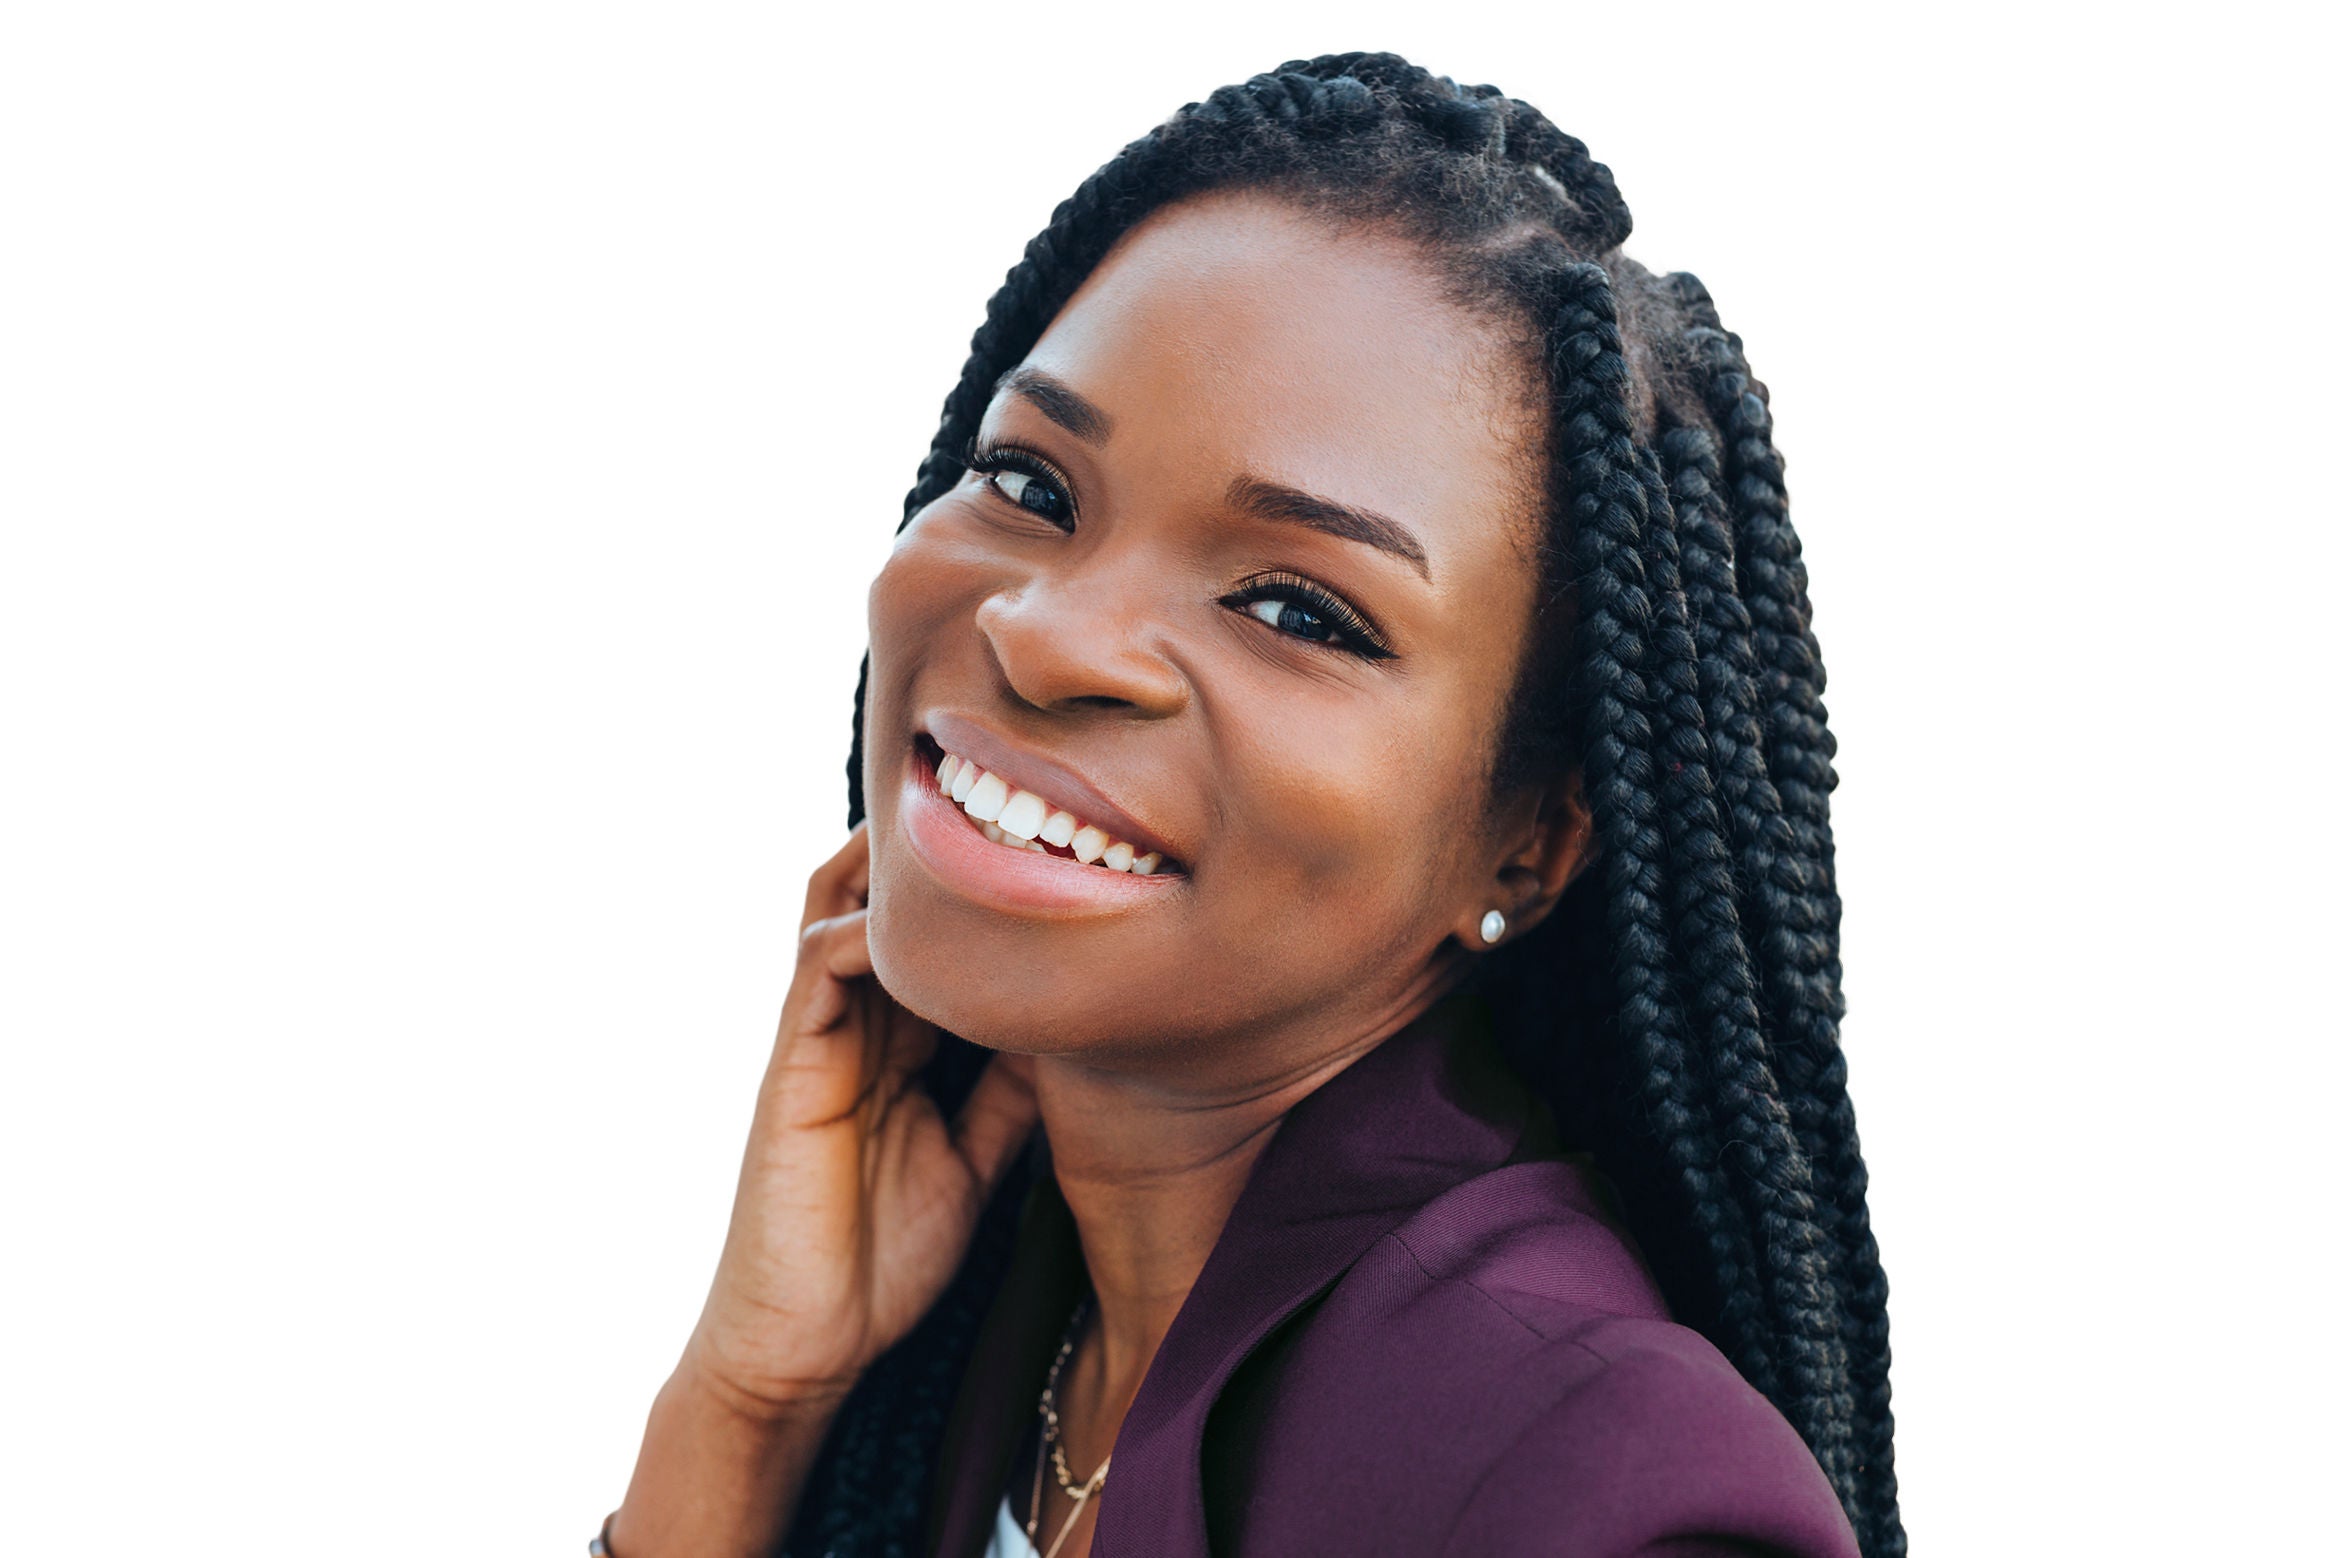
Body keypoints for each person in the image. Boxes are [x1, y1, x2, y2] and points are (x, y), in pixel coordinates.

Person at [602, 52, 1902, 1558]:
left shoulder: (1593, 1483)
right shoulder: (1023, 1302)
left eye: (1294, 608)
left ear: (1532, 841)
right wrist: (751, 1399)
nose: (1047, 631)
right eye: (1030, 483)